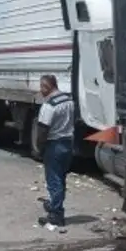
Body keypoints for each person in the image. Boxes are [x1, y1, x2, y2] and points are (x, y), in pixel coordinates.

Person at [33, 74, 75, 228]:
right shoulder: (69, 101)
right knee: (61, 178)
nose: (40, 90)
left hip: (54, 145)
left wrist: (39, 148)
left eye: (41, 87)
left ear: (47, 87)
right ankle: (55, 206)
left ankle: (55, 215)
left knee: (54, 181)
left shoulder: (49, 105)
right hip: (68, 143)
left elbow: (43, 130)